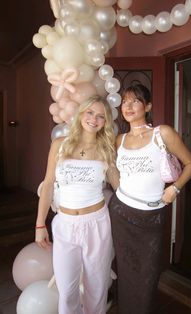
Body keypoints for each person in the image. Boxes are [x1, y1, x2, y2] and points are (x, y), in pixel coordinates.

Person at [108, 84, 191, 314]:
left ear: (147, 106)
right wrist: (119, 194)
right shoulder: (120, 139)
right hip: (121, 214)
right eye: (124, 101)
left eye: (135, 101)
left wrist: (174, 189)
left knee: (147, 273)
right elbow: (116, 173)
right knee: (126, 271)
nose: (127, 106)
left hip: (151, 216)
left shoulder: (162, 133)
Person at [35, 95, 119, 314]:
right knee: (67, 290)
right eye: (90, 112)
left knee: (96, 287)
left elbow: (119, 186)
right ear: (81, 114)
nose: (94, 119)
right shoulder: (59, 145)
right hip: (65, 225)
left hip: (97, 224)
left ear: (105, 122)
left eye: (101, 116)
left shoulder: (106, 149)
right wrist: (39, 224)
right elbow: (48, 185)